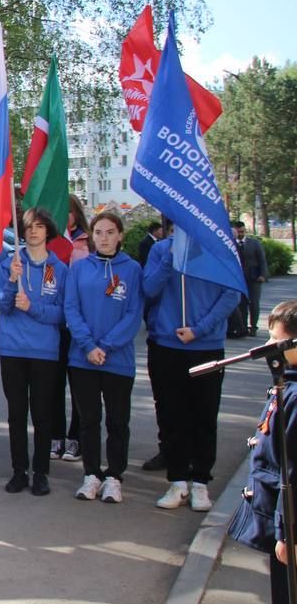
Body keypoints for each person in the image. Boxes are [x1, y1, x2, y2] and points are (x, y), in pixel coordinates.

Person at [227, 300, 297, 604]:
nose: (269, 346)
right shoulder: (286, 384)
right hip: (274, 514)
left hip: (287, 521)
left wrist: (288, 532)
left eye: (277, 341)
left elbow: (294, 471)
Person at [144, 227, 240, 512]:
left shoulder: (220, 249)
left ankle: (200, 481)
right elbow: (148, 289)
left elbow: (231, 294)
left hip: (205, 346)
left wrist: (199, 329)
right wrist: (169, 260)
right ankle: (177, 480)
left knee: (204, 415)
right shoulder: (162, 249)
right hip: (166, 346)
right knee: (171, 415)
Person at [63, 211, 144, 504]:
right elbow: (71, 309)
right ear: (92, 235)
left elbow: (134, 314)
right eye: (99, 232)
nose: (104, 238)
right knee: (88, 419)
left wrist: (107, 346)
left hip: (117, 360)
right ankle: (92, 474)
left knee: (117, 421)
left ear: (120, 235)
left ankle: (114, 476)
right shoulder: (79, 269)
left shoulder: (132, 269)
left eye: (110, 232)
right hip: (83, 358)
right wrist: (88, 346)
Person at [0, 208, 67, 496]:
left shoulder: (59, 269)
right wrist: (12, 281)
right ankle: (18, 470)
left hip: (44, 351)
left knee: (41, 413)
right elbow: (1, 307)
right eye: (29, 227)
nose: (34, 231)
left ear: (47, 231)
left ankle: (41, 472)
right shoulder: (10, 263)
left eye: (39, 226)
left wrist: (33, 308)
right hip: (13, 349)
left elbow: (62, 314)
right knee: (16, 413)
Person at [49, 193, 92, 462]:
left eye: (68, 211)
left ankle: (76, 438)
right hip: (54, 324)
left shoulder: (89, 242)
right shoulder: (50, 242)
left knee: (79, 386)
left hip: (78, 325)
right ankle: (55, 437)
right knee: (53, 385)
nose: (63, 216)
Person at [235, 220, 271, 337]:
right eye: (238, 232)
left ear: (245, 230)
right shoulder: (231, 243)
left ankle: (253, 327)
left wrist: (263, 275)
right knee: (241, 304)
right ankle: (243, 327)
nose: (240, 234)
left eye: (242, 231)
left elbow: (262, 260)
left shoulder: (254, 243)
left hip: (254, 278)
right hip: (239, 279)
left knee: (254, 303)